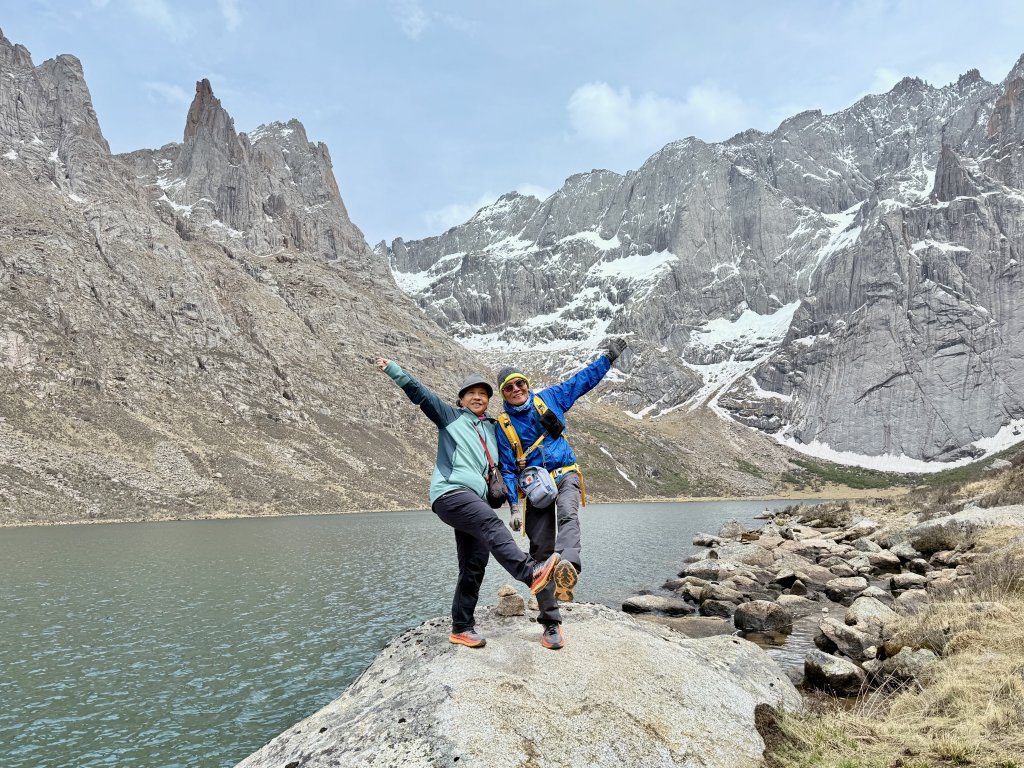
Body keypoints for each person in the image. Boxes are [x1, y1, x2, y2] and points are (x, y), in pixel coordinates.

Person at [375, 357, 561, 649]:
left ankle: (461, 627)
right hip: (450, 493)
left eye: (483, 394)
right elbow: (421, 395)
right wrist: (393, 369)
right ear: (461, 399)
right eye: (471, 393)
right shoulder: (449, 417)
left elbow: (507, 461)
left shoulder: (493, 428)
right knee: (489, 523)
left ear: (488, 400)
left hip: (475, 499)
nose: (477, 397)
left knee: (474, 564)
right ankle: (529, 572)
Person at [495, 337, 628, 650]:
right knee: (540, 550)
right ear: (503, 394)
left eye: (519, 383)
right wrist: (513, 507)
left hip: (565, 473)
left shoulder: (550, 399)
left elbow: (580, 382)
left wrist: (607, 360)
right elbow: (508, 469)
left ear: (526, 384)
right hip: (535, 487)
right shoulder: (503, 425)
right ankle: (550, 623)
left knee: (569, 514)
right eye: (508, 388)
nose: (516, 390)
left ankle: (568, 566)